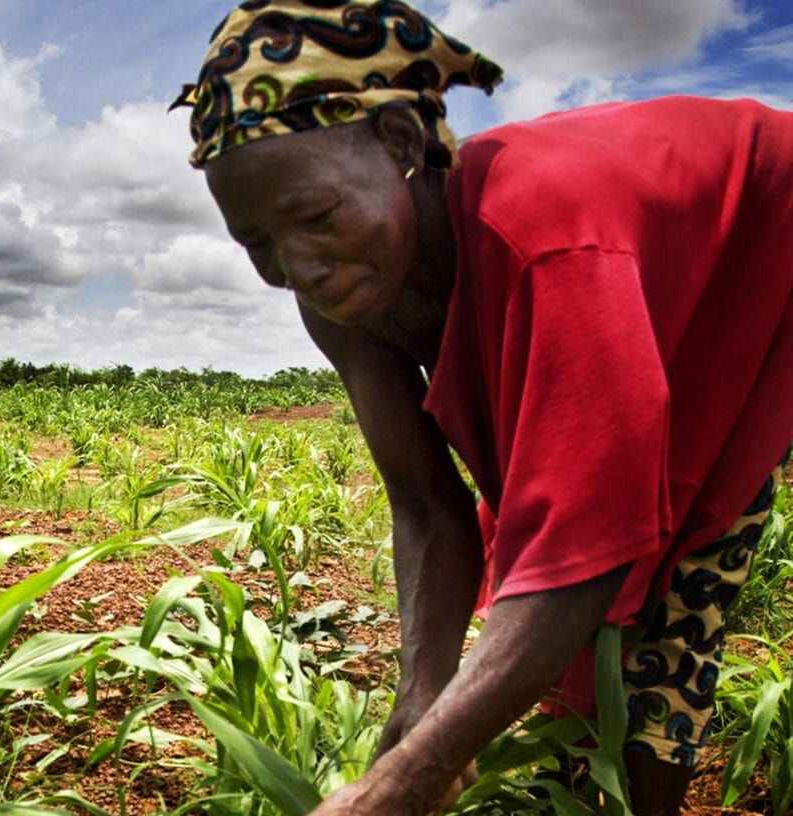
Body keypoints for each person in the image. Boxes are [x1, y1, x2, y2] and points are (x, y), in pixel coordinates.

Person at [172, 1, 793, 814]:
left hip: (750, 268)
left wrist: (404, 779)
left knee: (674, 573)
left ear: (400, 144)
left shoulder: (544, 231)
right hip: (631, 281)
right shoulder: (341, 295)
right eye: (256, 244)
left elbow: (584, 546)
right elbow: (428, 503)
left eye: (315, 217)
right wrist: (422, 688)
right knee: (560, 587)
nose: (298, 268)